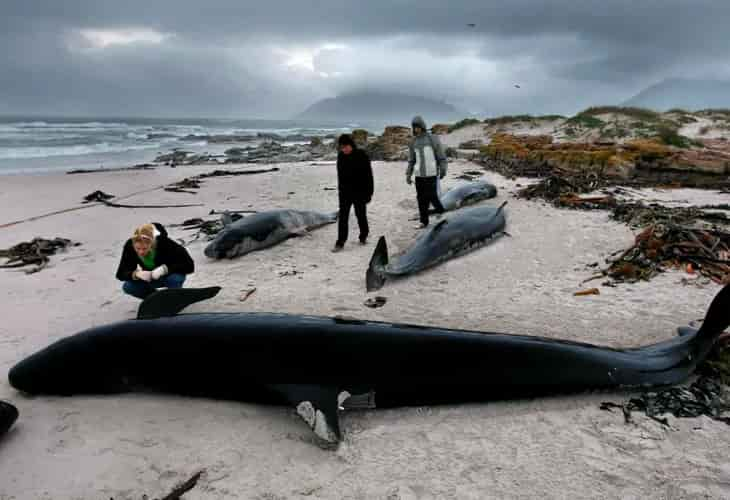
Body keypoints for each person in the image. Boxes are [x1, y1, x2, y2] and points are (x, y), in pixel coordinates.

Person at [116, 222, 195, 299]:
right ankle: (154, 299)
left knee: (174, 279)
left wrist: (165, 269)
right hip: (151, 277)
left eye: (144, 248)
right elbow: (121, 273)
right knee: (128, 286)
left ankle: (174, 297)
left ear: (152, 243)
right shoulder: (130, 246)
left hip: (170, 276)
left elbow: (189, 265)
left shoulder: (166, 243)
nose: (141, 252)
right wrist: (136, 274)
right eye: (138, 249)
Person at [332, 133, 374, 252]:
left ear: (351, 145)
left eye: (346, 147)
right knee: (343, 217)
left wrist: (369, 193)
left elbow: (369, 176)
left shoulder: (361, 155)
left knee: (360, 215)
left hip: (360, 192)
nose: (344, 149)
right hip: (345, 193)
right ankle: (340, 242)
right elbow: (340, 176)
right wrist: (340, 192)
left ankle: (363, 236)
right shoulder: (341, 157)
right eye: (342, 147)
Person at [406, 115, 448, 228]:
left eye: (418, 126)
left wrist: (443, 169)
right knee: (421, 199)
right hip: (419, 175)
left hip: (431, 174)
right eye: (414, 127)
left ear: (422, 126)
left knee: (432, 196)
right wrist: (408, 174)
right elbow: (411, 160)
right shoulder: (412, 142)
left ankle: (441, 212)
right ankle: (423, 221)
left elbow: (441, 156)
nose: (416, 129)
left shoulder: (432, 138)